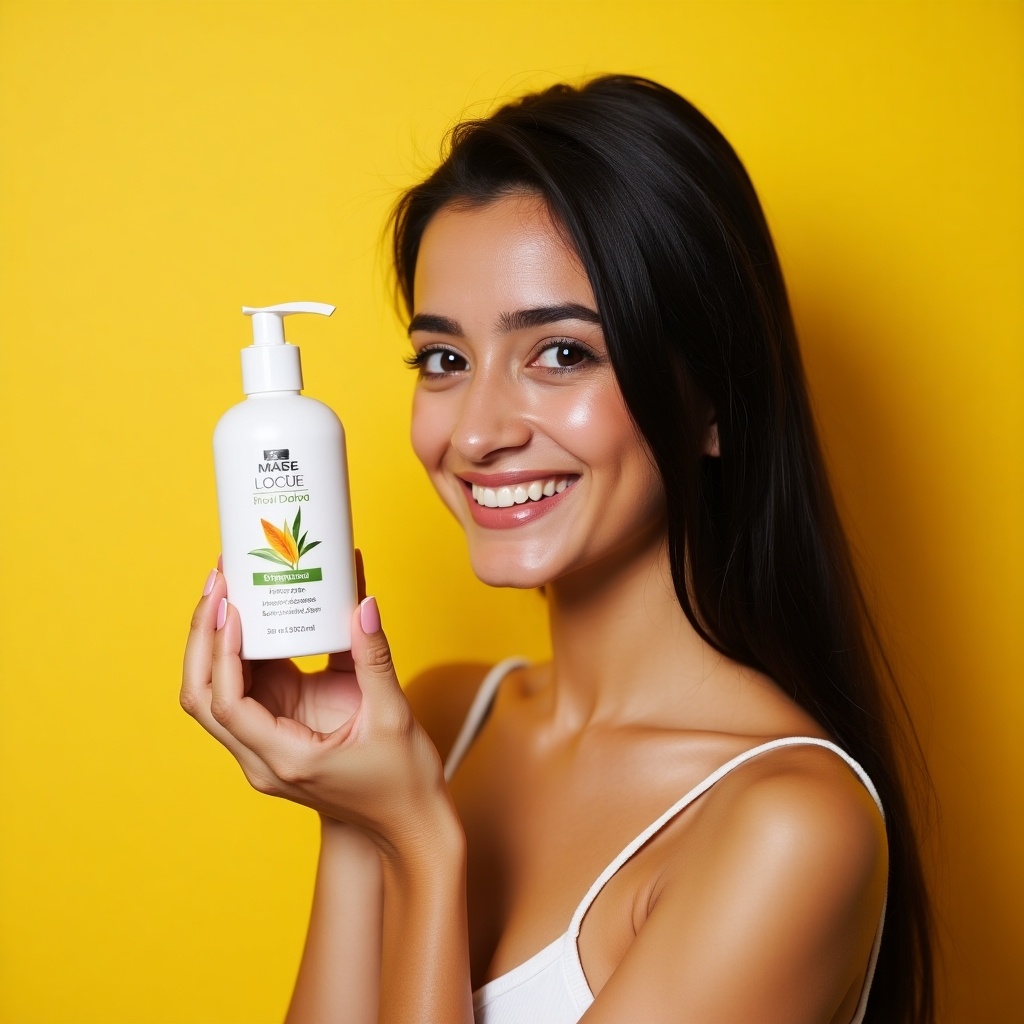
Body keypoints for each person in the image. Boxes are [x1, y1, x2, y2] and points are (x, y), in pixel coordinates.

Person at [181, 75, 933, 1023]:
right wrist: (348, 809)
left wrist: (418, 840)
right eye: (445, 361)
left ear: (712, 402)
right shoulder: (446, 714)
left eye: (563, 353)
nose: (478, 432)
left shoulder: (790, 825)